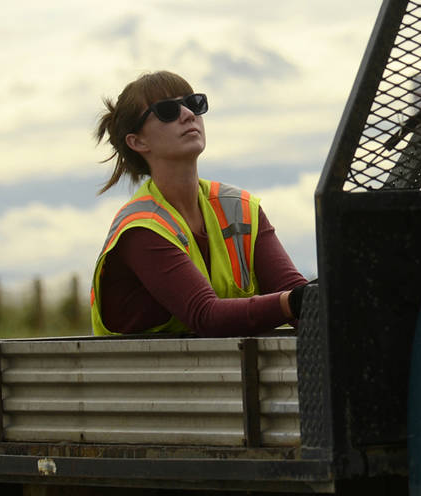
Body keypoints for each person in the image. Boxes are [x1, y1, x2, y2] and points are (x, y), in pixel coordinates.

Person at [88, 70, 310, 336]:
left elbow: (299, 298)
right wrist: (297, 302)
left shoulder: (241, 209)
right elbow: (206, 315)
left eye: (195, 104)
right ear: (137, 141)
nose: (188, 114)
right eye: (168, 111)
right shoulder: (142, 228)